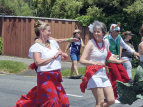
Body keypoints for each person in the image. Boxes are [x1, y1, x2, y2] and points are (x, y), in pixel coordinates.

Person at [14, 21, 70, 107]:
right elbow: (38, 62)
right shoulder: (36, 47)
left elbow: (60, 55)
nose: (50, 33)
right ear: (42, 32)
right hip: (45, 77)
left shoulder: (53, 43)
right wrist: (54, 57)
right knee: (52, 102)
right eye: (48, 31)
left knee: (64, 102)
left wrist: (63, 56)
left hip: (56, 76)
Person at [80, 21, 128, 107]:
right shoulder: (91, 43)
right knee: (100, 101)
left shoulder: (105, 42)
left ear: (103, 33)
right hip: (93, 74)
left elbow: (108, 56)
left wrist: (118, 61)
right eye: (94, 31)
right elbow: (82, 60)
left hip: (103, 74)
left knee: (111, 100)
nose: (96, 33)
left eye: (98, 31)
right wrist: (93, 63)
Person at [104, 23, 139, 103]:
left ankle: (115, 91)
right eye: (117, 31)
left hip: (118, 61)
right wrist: (113, 55)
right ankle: (114, 96)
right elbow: (106, 51)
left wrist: (134, 52)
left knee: (126, 77)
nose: (119, 32)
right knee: (117, 78)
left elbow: (126, 46)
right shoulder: (106, 39)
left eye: (119, 31)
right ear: (112, 31)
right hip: (111, 60)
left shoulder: (119, 37)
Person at [116, 25, 143, 105]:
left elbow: (133, 49)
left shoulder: (131, 42)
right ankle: (128, 81)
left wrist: (134, 53)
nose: (131, 36)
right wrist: (119, 57)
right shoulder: (142, 44)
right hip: (127, 58)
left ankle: (129, 80)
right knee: (128, 67)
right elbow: (121, 49)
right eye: (130, 35)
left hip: (130, 57)